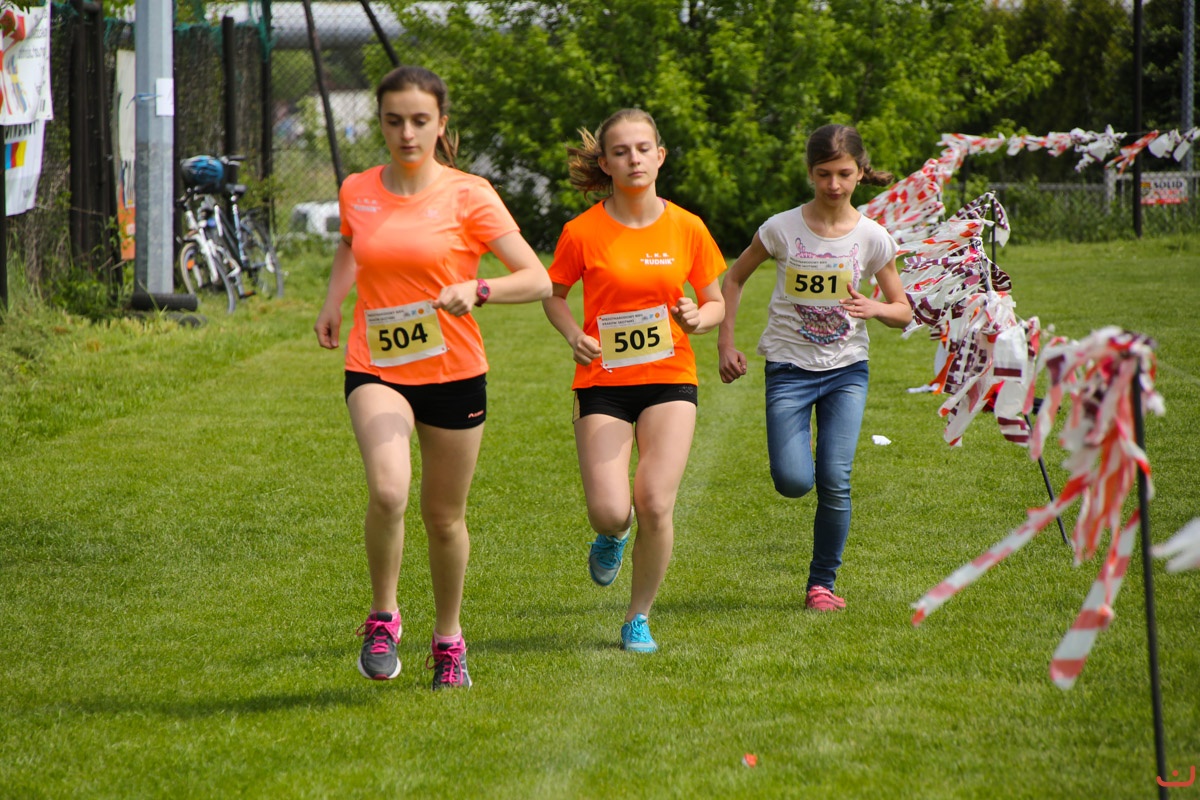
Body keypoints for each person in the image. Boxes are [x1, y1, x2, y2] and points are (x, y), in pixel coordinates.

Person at [314, 66, 551, 688]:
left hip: (453, 372)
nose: (407, 133)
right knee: (389, 490)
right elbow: (351, 244)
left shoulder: (470, 194)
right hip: (376, 366)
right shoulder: (358, 189)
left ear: (441, 124)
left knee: (444, 517)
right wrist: (334, 301)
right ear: (380, 122)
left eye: (420, 121)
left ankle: (449, 641)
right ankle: (383, 618)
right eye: (394, 121)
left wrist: (479, 289)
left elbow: (537, 277)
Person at [542, 109, 726, 653]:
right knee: (609, 510)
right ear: (605, 163)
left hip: (670, 377)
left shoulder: (688, 226)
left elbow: (715, 302)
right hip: (602, 380)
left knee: (655, 502)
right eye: (621, 151)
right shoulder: (582, 231)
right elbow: (553, 297)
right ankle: (613, 534)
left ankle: (637, 616)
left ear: (660, 156)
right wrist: (573, 334)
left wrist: (699, 318)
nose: (634, 159)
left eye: (643, 149)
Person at [717, 123, 912, 611]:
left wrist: (875, 308)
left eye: (844, 174)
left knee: (835, 479)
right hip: (788, 368)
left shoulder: (873, 237)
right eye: (824, 174)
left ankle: (821, 585)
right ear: (810, 173)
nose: (834, 184)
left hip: (847, 371)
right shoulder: (781, 228)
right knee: (793, 481)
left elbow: (902, 311)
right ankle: (798, 450)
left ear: (860, 172)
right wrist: (726, 343)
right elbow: (733, 279)